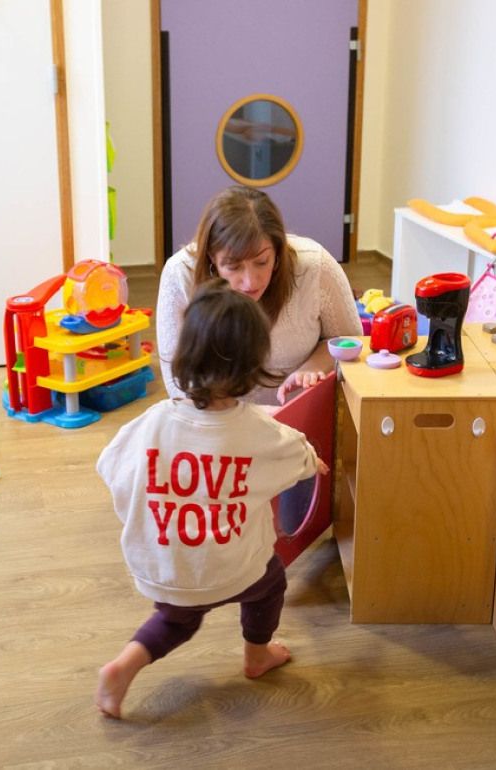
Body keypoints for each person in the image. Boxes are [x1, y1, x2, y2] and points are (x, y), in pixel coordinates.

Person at [94, 279, 328, 719]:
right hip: (235, 566)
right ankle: (257, 655)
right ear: (252, 366)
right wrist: (313, 463)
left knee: (177, 620)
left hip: (171, 565)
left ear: (185, 353)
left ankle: (123, 666)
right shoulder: (258, 431)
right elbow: (297, 455)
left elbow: (111, 466)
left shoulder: (154, 421)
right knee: (270, 585)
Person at [156, 185, 362, 406]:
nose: (250, 282)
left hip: (301, 414)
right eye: (233, 266)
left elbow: (351, 341)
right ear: (211, 258)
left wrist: (311, 369)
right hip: (218, 424)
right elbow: (177, 378)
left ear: (278, 250)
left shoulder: (314, 265)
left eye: (262, 262)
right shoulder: (180, 273)